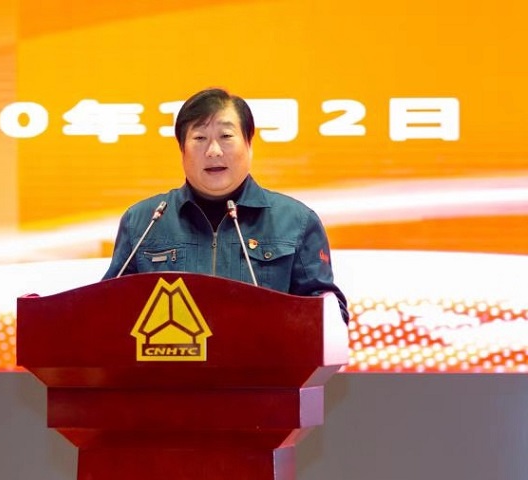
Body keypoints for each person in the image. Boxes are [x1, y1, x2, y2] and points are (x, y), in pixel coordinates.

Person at [102, 87, 349, 324]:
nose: (214, 151)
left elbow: (328, 317)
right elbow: (106, 310)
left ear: (249, 144)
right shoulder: (143, 221)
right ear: (182, 149)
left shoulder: (296, 222)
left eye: (226, 136)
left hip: (261, 355)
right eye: (200, 138)